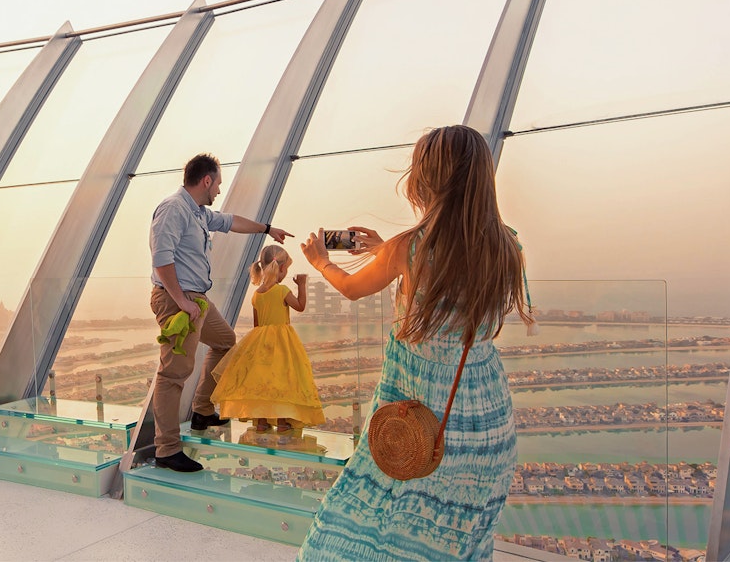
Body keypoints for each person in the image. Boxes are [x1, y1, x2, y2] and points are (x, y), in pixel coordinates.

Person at [296, 125, 537, 561]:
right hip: (486, 418)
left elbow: (351, 288)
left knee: (367, 520)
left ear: (428, 177)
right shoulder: (507, 245)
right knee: (457, 538)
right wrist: (384, 248)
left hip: (417, 413)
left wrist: (321, 262)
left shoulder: (409, 248)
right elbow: (451, 268)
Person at [149, 153, 292, 472]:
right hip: (178, 301)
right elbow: (161, 259)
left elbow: (230, 221)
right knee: (173, 374)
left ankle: (201, 410)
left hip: (196, 300)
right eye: (217, 184)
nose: (218, 190)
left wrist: (268, 229)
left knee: (225, 340)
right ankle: (166, 449)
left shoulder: (198, 212)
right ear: (206, 181)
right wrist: (181, 301)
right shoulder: (173, 209)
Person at [210, 244, 326, 433]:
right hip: (282, 343)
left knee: (261, 381)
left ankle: (262, 422)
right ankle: (282, 422)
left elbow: (257, 324)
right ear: (282, 268)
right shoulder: (282, 290)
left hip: (259, 342)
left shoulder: (257, 294)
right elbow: (300, 306)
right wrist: (301, 285)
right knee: (281, 380)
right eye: (286, 269)